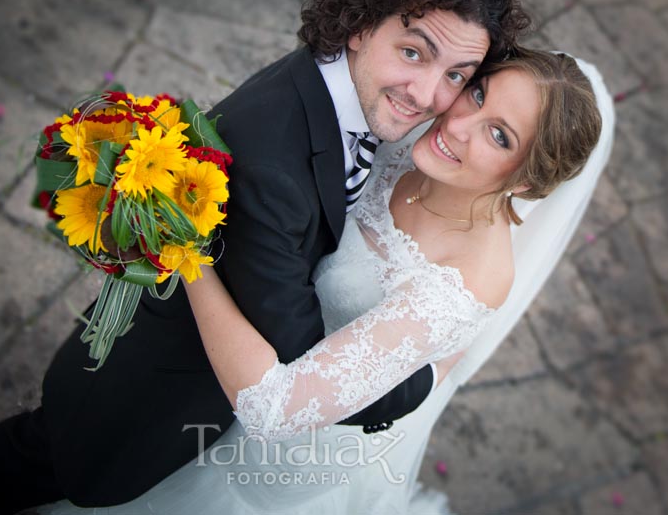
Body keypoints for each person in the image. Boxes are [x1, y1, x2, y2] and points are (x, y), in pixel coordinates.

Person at [0, 0, 529, 514]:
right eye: (413, 52)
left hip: (166, 362)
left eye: (457, 75)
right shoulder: (273, 169)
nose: (429, 95)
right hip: (142, 397)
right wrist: (421, 380)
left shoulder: (329, 81)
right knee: (30, 470)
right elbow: (301, 360)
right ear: (362, 26)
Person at [35, 48, 611, 515]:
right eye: (478, 93)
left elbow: (275, 410)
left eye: (499, 136)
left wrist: (187, 247)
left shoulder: (465, 282)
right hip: (248, 349)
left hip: (292, 437)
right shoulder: (414, 142)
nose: (458, 124)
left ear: (528, 186)